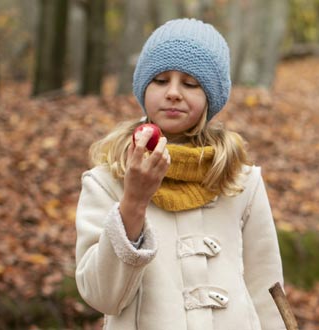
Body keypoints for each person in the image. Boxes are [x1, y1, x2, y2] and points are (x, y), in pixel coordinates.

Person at [74, 18, 285, 329]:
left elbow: (267, 294)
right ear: (143, 88)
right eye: (160, 80)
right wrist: (133, 201)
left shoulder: (241, 181)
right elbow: (102, 297)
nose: (173, 93)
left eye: (190, 83)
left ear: (210, 96)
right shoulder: (106, 181)